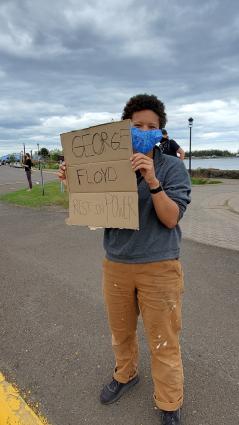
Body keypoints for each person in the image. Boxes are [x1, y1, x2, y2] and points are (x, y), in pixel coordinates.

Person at [58, 94, 191, 425]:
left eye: (151, 126)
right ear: (125, 129)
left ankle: (169, 401)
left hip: (160, 265)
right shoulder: (109, 166)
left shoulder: (172, 166)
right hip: (116, 262)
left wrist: (152, 181)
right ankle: (126, 374)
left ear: (161, 133)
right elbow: (95, 211)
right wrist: (74, 182)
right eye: (136, 126)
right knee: (121, 332)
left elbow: (172, 218)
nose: (144, 130)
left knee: (163, 339)